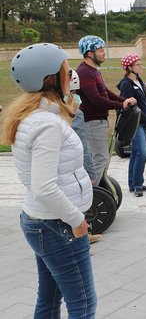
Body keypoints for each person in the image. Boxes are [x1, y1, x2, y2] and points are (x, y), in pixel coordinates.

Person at [3, 43, 97, 318]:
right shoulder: (45, 124)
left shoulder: (31, 116)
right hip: (58, 225)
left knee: (49, 299)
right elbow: (44, 187)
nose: (71, 77)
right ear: (50, 79)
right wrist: (77, 220)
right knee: (83, 305)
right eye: (67, 72)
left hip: (41, 221)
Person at [76, 35, 136, 186]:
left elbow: (105, 92)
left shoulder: (93, 71)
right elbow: (96, 99)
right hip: (92, 122)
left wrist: (123, 100)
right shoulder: (84, 72)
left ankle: (97, 189)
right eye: (101, 50)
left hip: (98, 121)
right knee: (100, 158)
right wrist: (120, 105)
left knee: (100, 158)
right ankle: (90, 193)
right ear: (90, 53)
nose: (104, 53)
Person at [70, 70, 103, 244]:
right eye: (75, 93)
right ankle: (81, 241)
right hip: (74, 166)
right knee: (77, 202)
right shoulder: (75, 112)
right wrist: (91, 172)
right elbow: (82, 144)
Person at [117, 53, 146, 196]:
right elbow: (132, 108)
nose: (141, 66)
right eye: (138, 64)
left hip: (144, 120)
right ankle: (137, 185)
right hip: (136, 123)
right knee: (142, 152)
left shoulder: (139, 80)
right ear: (129, 67)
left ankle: (133, 184)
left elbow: (145, 101)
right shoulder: (126, 85)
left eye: (140, 63)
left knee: (136, 153)